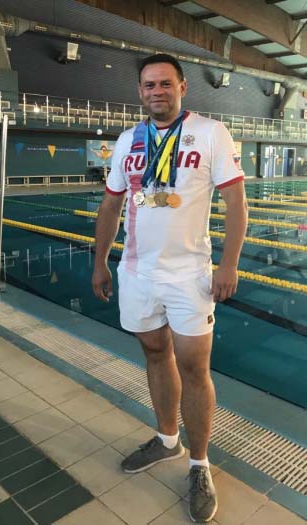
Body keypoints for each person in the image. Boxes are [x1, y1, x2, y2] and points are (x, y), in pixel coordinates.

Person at [92, 53, 248, 523]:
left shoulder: (210, 132)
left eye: (165, 83)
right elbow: (111, 205)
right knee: (155, 354)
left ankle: (199, 465)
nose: (156, 91)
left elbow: (236, 202)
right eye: (148, 85)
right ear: (140, 91)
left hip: (189, 275)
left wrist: (228, 265)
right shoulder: (127, 141)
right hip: (137, 271)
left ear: (182, 87)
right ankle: (167, 440)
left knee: (195, 367)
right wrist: (100, 262)